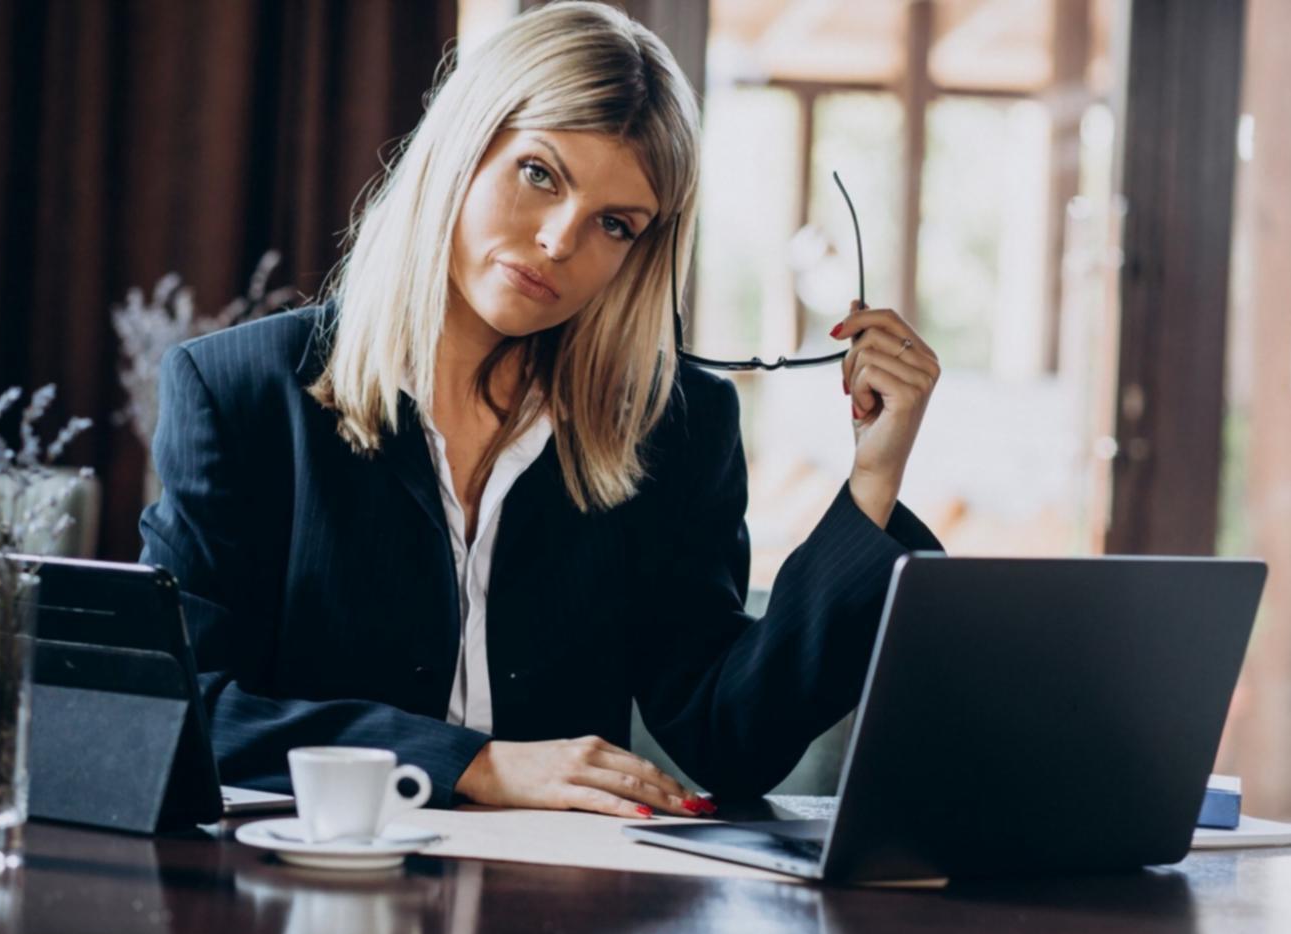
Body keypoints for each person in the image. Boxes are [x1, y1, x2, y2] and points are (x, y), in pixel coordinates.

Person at [139, 1, 943, 820]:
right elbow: (176, 701)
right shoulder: (239, 390)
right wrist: (471, 765)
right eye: (540, 174)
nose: (562, 241)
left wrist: (872, 483)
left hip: (568, 902)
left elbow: (729, 742)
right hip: (308, 897)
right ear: (464, 147)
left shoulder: (675, 427)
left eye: (615, 224)